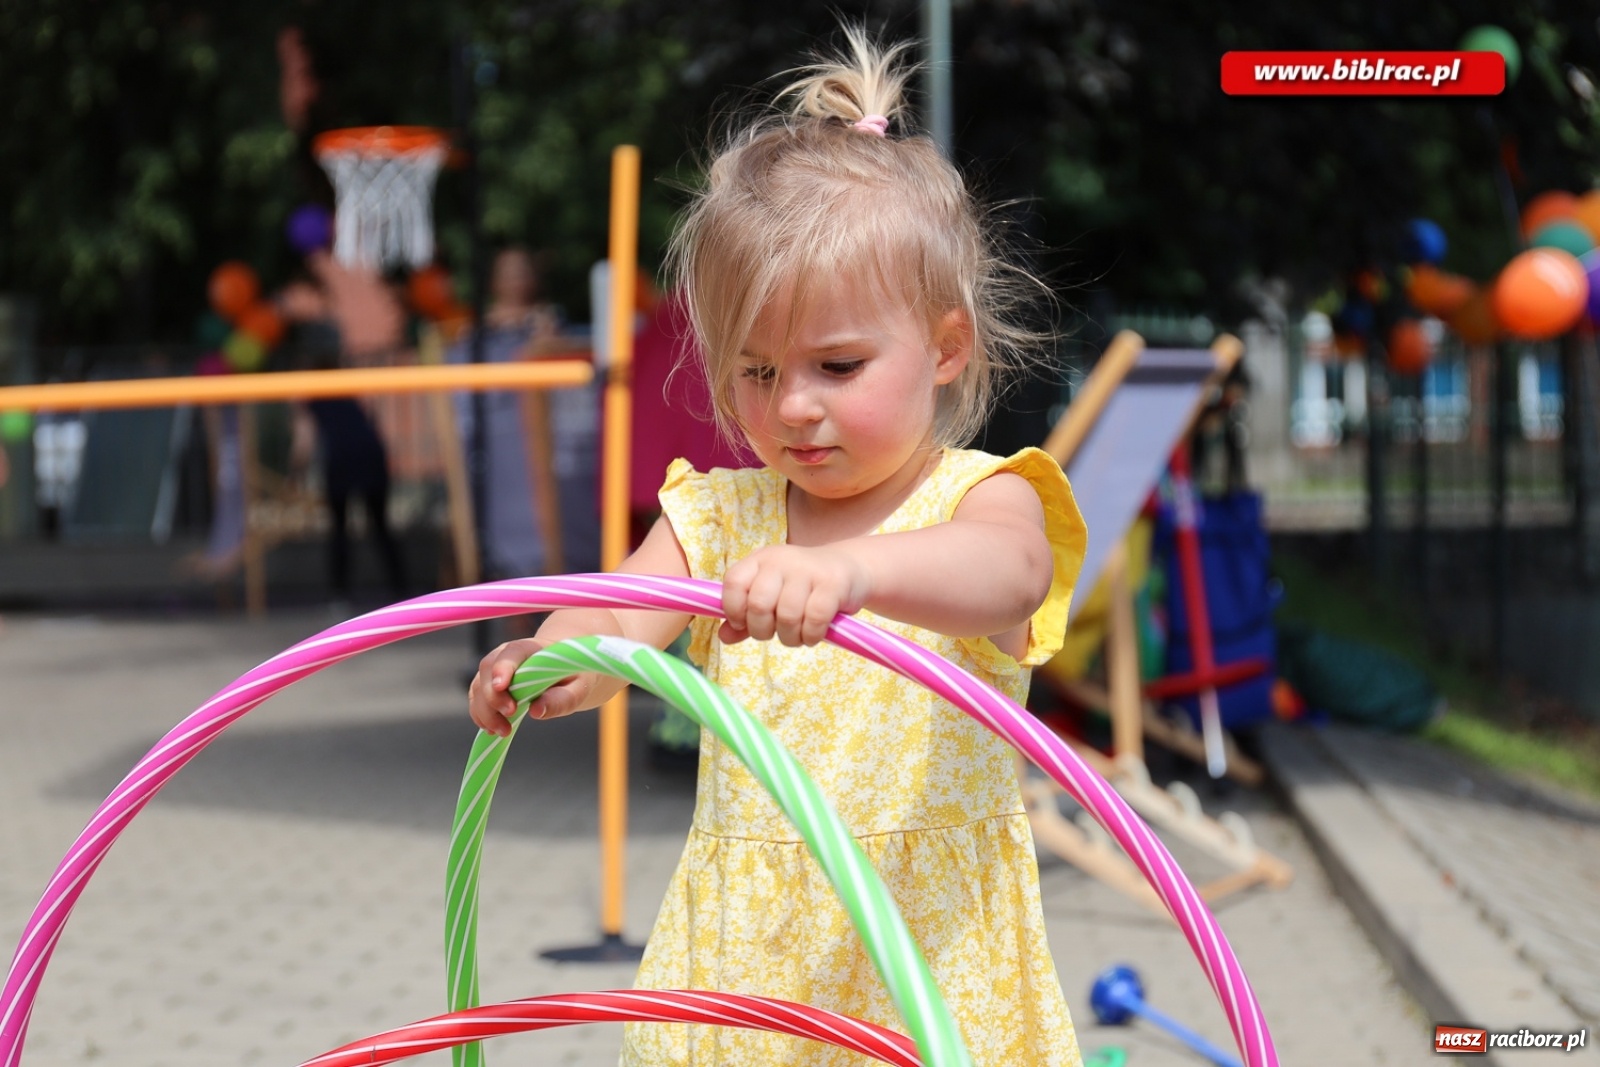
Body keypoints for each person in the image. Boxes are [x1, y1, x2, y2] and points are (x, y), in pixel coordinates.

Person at [469, 28, 1087, 1067]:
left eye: (836, 364)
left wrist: (853, 574)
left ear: (944, 347)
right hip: (745, 966)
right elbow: (621, 610)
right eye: (755, 371)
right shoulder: (720, 517)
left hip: (925, 963)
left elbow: (1006, 579)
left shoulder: (982, 498)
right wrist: (552, 660)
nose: (791, 406)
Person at [279, 276, 407, 605]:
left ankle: (341, 595)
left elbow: (303, 441)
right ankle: (399, 590)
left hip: (346, 459)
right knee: (378, 525)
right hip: (369, 455)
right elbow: (370, 423)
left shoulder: (310, 390)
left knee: (340, 528)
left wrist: (293, 475)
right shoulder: (346, 382)